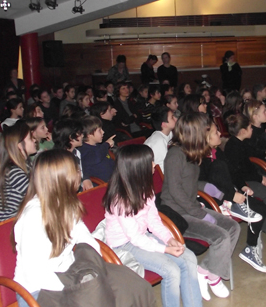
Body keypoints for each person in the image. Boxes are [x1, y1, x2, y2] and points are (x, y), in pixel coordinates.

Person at [13, 149, 155, 307]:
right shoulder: (34, 216)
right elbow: (35, 273)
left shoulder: (66, 204)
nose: (80, 175)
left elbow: (86, 238)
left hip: (71, 273)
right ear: (62, 177)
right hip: (40, 289)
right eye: (77, 170)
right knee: (100, 299)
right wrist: (78, 288)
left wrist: (97, 269)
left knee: (134, 287)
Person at [104, 145, 201, 307]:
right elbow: (134, 238)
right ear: (138, 168)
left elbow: (154, 220)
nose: (154, 165)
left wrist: (168, 239)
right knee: (171, 270)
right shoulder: (120, 200)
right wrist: (165, 249)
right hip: (123, 246)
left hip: (141, 238)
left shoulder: (144, 187)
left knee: (189, 258)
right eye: (150, 162)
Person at [160, 112, 240, 300]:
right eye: (208, 131)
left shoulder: (193, 154)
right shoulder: (175, 155)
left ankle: (206, 272)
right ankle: (213, 277)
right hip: (176, 214)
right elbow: (175, 190)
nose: (214, 134)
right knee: (220, 236)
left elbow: (191, 184)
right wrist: (200, 214)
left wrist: (212, 190)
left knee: (233, 227)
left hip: (190, 208)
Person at [199, 121, 266, 272]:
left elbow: (233, 173)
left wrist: (242, 186)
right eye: (216, 133)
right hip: (215, 200)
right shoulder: (200, 159)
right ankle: (232, 206)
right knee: (218, 166)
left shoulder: (218, 152)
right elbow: (204, 185)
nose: (220, 134)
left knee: (259, 207)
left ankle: (250, 248)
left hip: (231, 195)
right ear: (206, 138)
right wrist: (230, 196)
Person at [224, 114, 266, 241]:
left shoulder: (243, 142)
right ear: (242, 131)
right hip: (243, 182)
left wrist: (265, 154)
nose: (252, 129)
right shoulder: (232, 147)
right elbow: (238, 173)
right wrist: (260, 179)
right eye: (250, 128)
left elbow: (252, 153)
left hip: (253, 176)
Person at [0, 121, 38, 223]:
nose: (35, 140)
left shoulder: (26, 166)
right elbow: (40, 195)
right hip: (10, 226)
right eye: (30, 138)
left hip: (22, 220)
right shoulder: (13, 173)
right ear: (20, 146)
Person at [52, 118, 93, 191]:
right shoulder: (57, 159)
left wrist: (85, 178)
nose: (82, 136)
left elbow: (81, 171)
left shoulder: (76, 152)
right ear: (71, 137)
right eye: (80, 133)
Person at [79, 116, 115, 183]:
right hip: (102, 185)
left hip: (113, 180)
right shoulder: (83, 150)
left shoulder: (99, 146)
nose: (103, 132)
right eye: (99, 130)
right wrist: (107, 144)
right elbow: (96, 157)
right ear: (89, 134)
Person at [144, 107, 177, 172]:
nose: (175, 119)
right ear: (164, 124)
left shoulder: (169, 133)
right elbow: (161, 169)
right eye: (172, 117)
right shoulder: (158, 141)